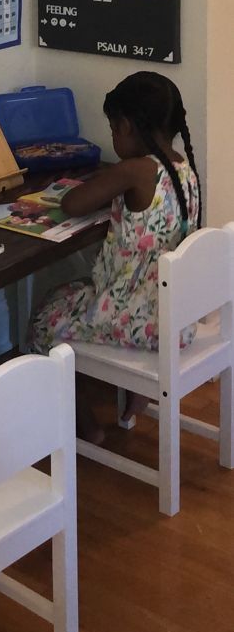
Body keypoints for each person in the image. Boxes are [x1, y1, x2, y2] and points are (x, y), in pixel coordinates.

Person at [29, 72, 201, 434]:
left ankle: (85, 424)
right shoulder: (182, 167)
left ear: (125, 126)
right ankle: (134, 402)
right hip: (176, 315)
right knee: (71, 292)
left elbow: (73, 203)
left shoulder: (136, 170)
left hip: (138, 317)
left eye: (112, 128)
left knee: (44, 319)